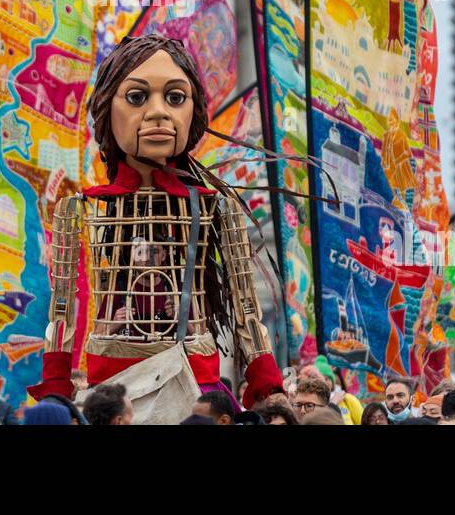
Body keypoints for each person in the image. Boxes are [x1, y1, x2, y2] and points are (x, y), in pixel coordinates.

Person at [30, 36, 285, 422]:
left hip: (196, 384)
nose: (158, 113)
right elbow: (63, 305)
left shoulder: (215, 205)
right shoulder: (80, 208)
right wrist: (55, 388)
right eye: (136, 98)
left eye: (175, 98)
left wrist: (267, 384)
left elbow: (244, 303)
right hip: (111, 385)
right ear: (106, 109)